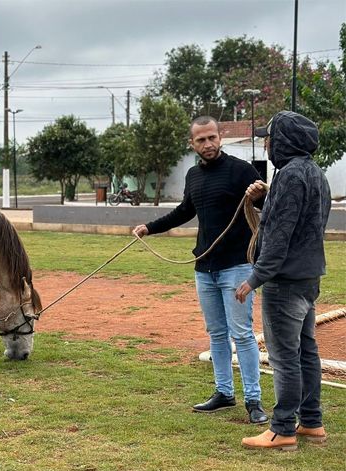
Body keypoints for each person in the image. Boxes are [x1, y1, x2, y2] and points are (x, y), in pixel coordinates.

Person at [133, 116, 268, 424]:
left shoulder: (242, 171)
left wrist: (262, 196)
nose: (208, 144)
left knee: (243, 334)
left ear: (220, 137)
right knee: (217, 334)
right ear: (192, 144)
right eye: (201, 140)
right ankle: (224, 393)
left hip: (236, 267)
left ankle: (253, 400)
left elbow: (266, 204)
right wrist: (149, 228)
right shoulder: (194, 175)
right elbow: (184, 211)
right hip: (204, 268)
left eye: (212, 138)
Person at [237, 111, 331, 451]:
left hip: (284, 282)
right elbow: (302, 221)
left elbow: (279, 235)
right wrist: (266, 200)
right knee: (306, 352)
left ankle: (282, 429)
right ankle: (312, 422)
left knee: (284, 358)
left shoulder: (290, 175)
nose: (266, 143)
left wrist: (255, 278)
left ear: (283, 141)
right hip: (307, 279)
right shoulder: (314, 174)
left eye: (269, 137)